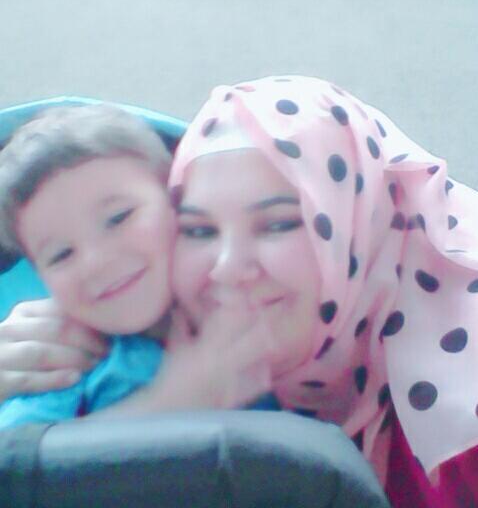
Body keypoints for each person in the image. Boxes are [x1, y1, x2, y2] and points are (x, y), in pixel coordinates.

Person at [2, 75, 478, 506]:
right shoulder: (92, 349)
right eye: (199, 230)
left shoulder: (461, 412)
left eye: (278, 224)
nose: (226, 268)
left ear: (360, 224)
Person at [0, 104, 271, 427]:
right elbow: (17, 455)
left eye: (119, 217)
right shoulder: (64, 367)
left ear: (179, 200)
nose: (95, 262)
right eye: (61, 255)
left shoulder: (258, 291)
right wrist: (164, 404)